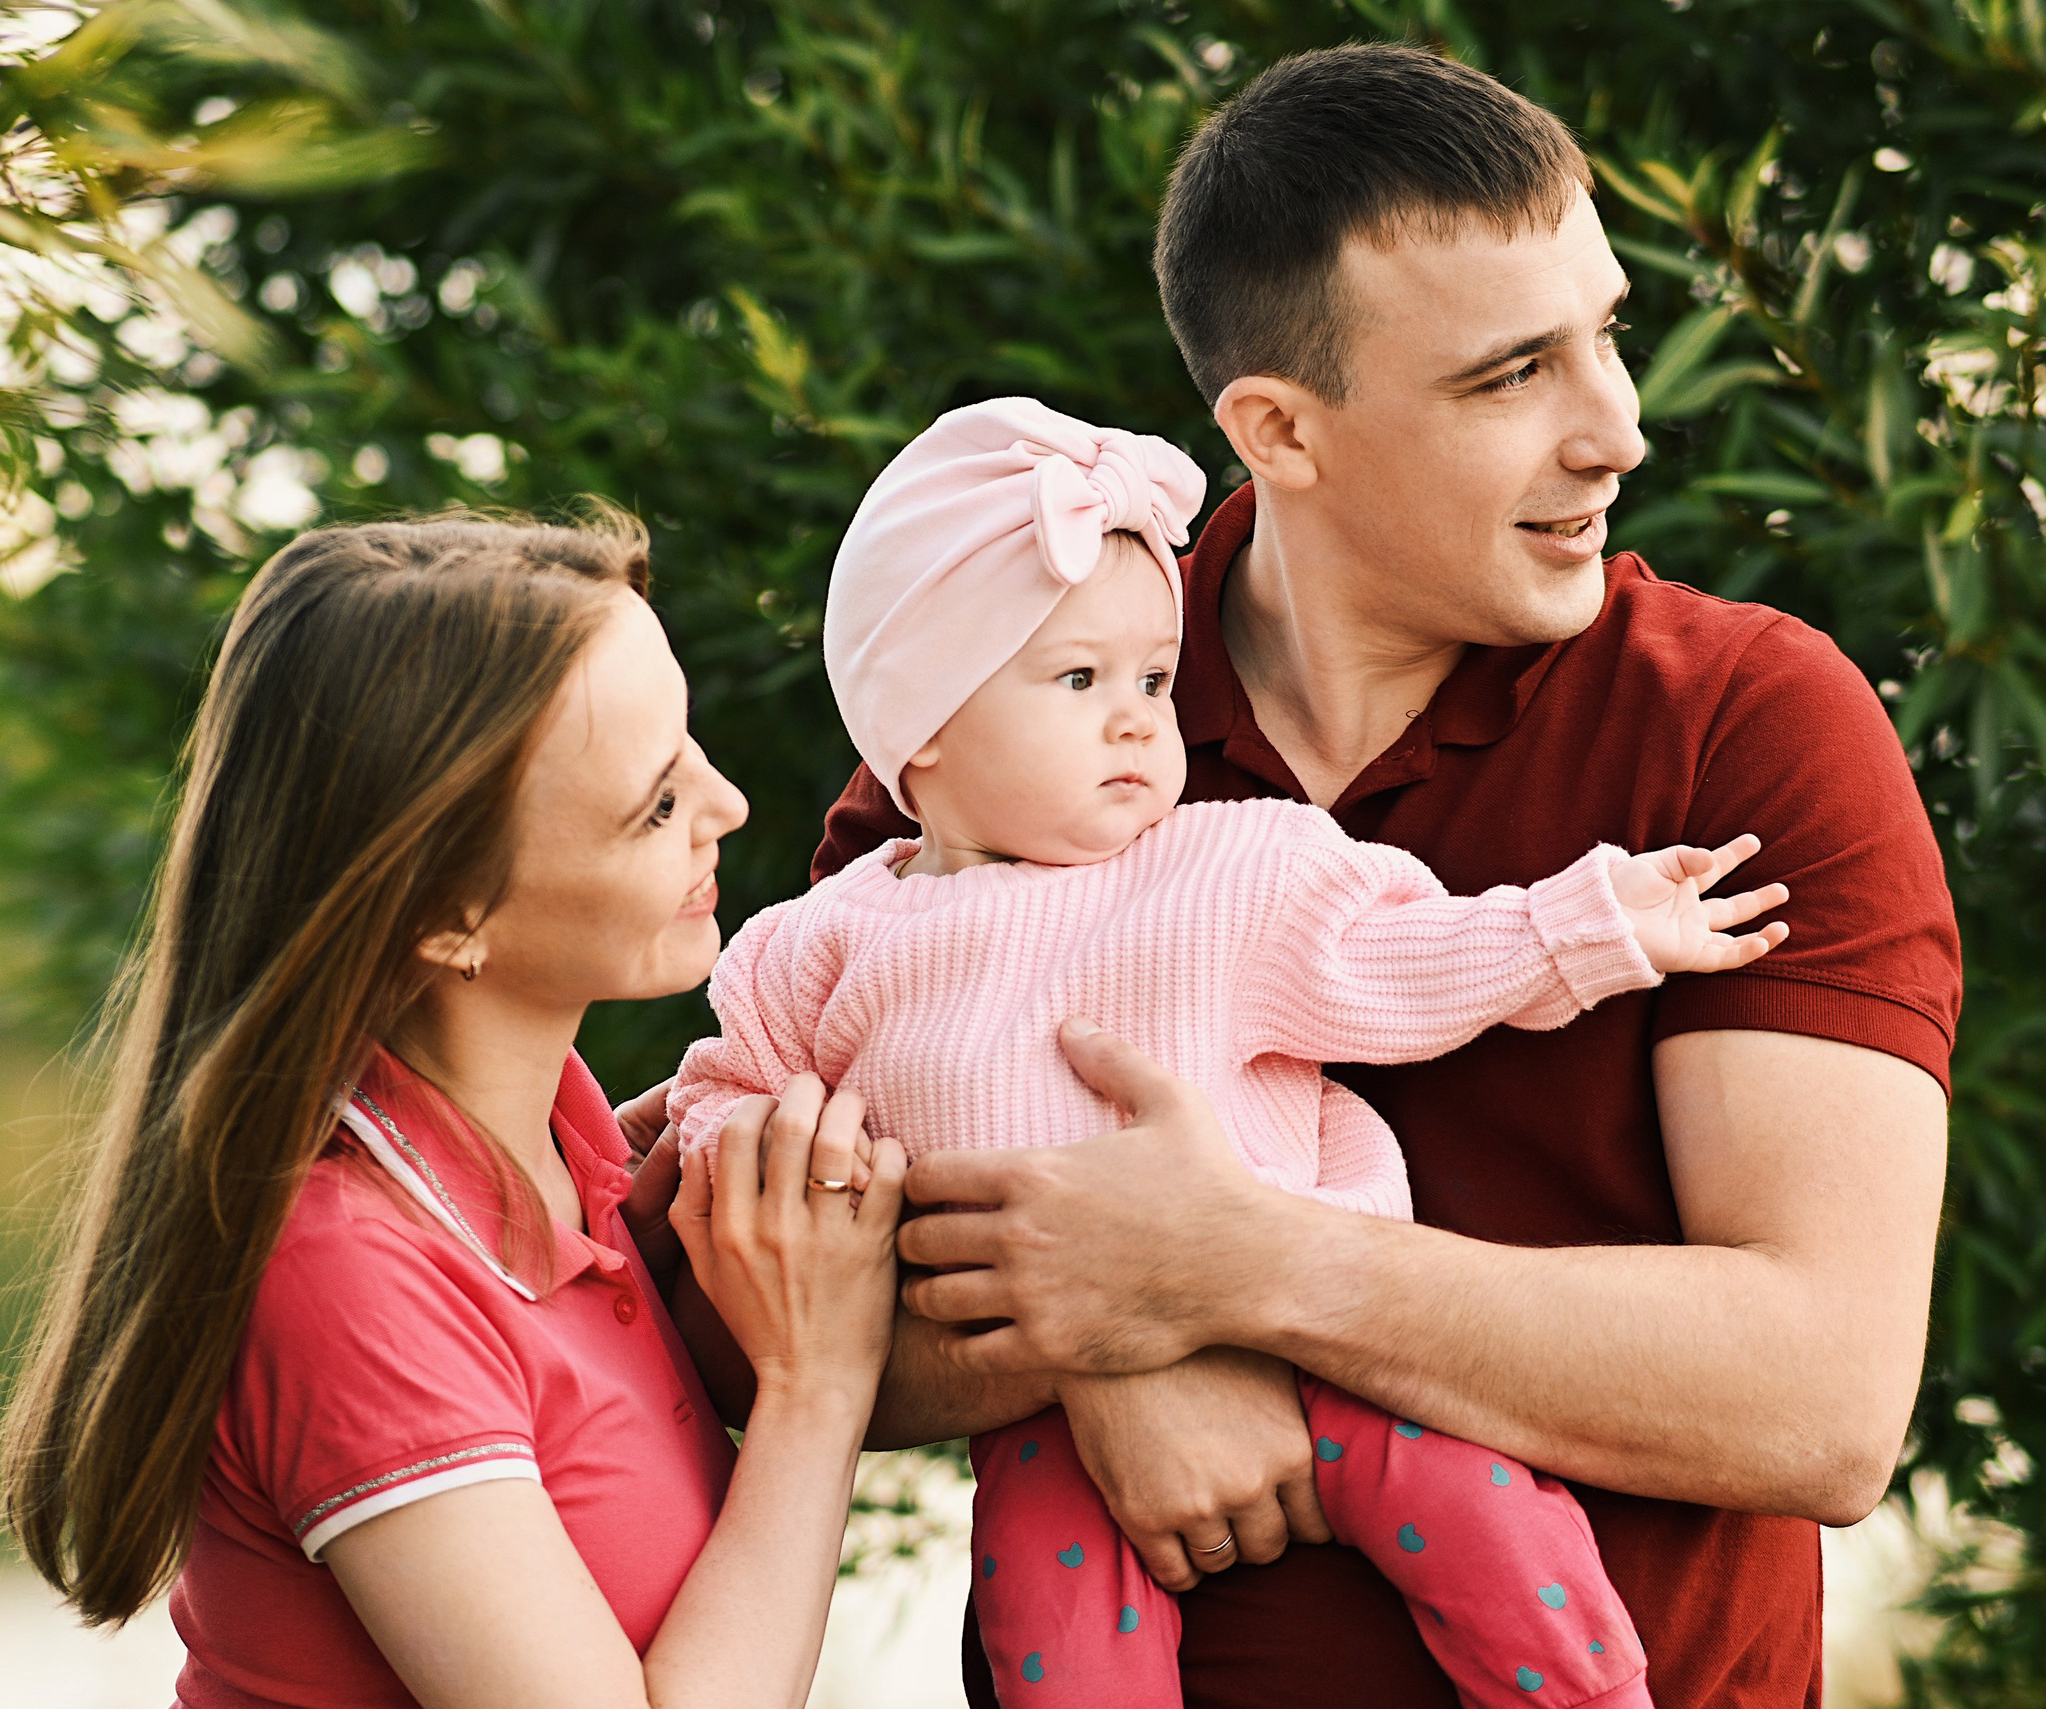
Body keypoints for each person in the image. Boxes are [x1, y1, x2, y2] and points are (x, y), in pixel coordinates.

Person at [807, 45, 1961, 1709]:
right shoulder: (1011, 714)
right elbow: (751, 1320)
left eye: (1608, 336)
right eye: (1515, 376)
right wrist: (1094, 1344)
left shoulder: (1745, 723)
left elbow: (1819, 1397)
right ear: (1281, 429)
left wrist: (1234, 1271)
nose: (1617, 429)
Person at [669, 397, 1795, 1706]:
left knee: (1487, 1516)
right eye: (1081, 682)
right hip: (1044, 1420)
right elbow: (734, 1097)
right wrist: (708, 1139)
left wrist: (1590, 923)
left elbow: (1408, 963)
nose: (1144, 722)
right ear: (922, 726)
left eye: (1155, 679)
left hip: (1321, 1345)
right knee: (1056, 1634)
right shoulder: (822, 943)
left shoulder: (1221, 871)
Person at [0, 512, 905, 1709]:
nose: (727, 802)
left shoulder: (574, 1154)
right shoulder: (348, 1273)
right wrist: (813, 1388)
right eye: (655, 806)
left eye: (690, 750)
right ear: (448, 916)